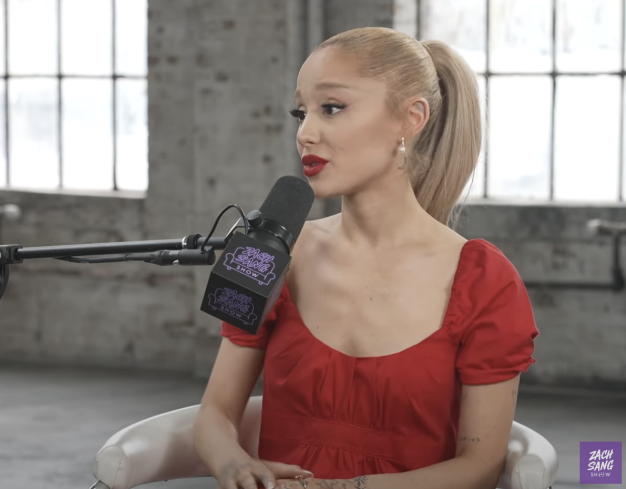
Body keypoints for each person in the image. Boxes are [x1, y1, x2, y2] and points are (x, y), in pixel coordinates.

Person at [193, 27, 540, 489]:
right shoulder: (268, 253)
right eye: (301, 112)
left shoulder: (484, 280)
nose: (305, 133)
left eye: (331, 108)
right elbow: (215, 413)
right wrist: (235, 465)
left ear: (410, 118)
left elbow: (479, 467)